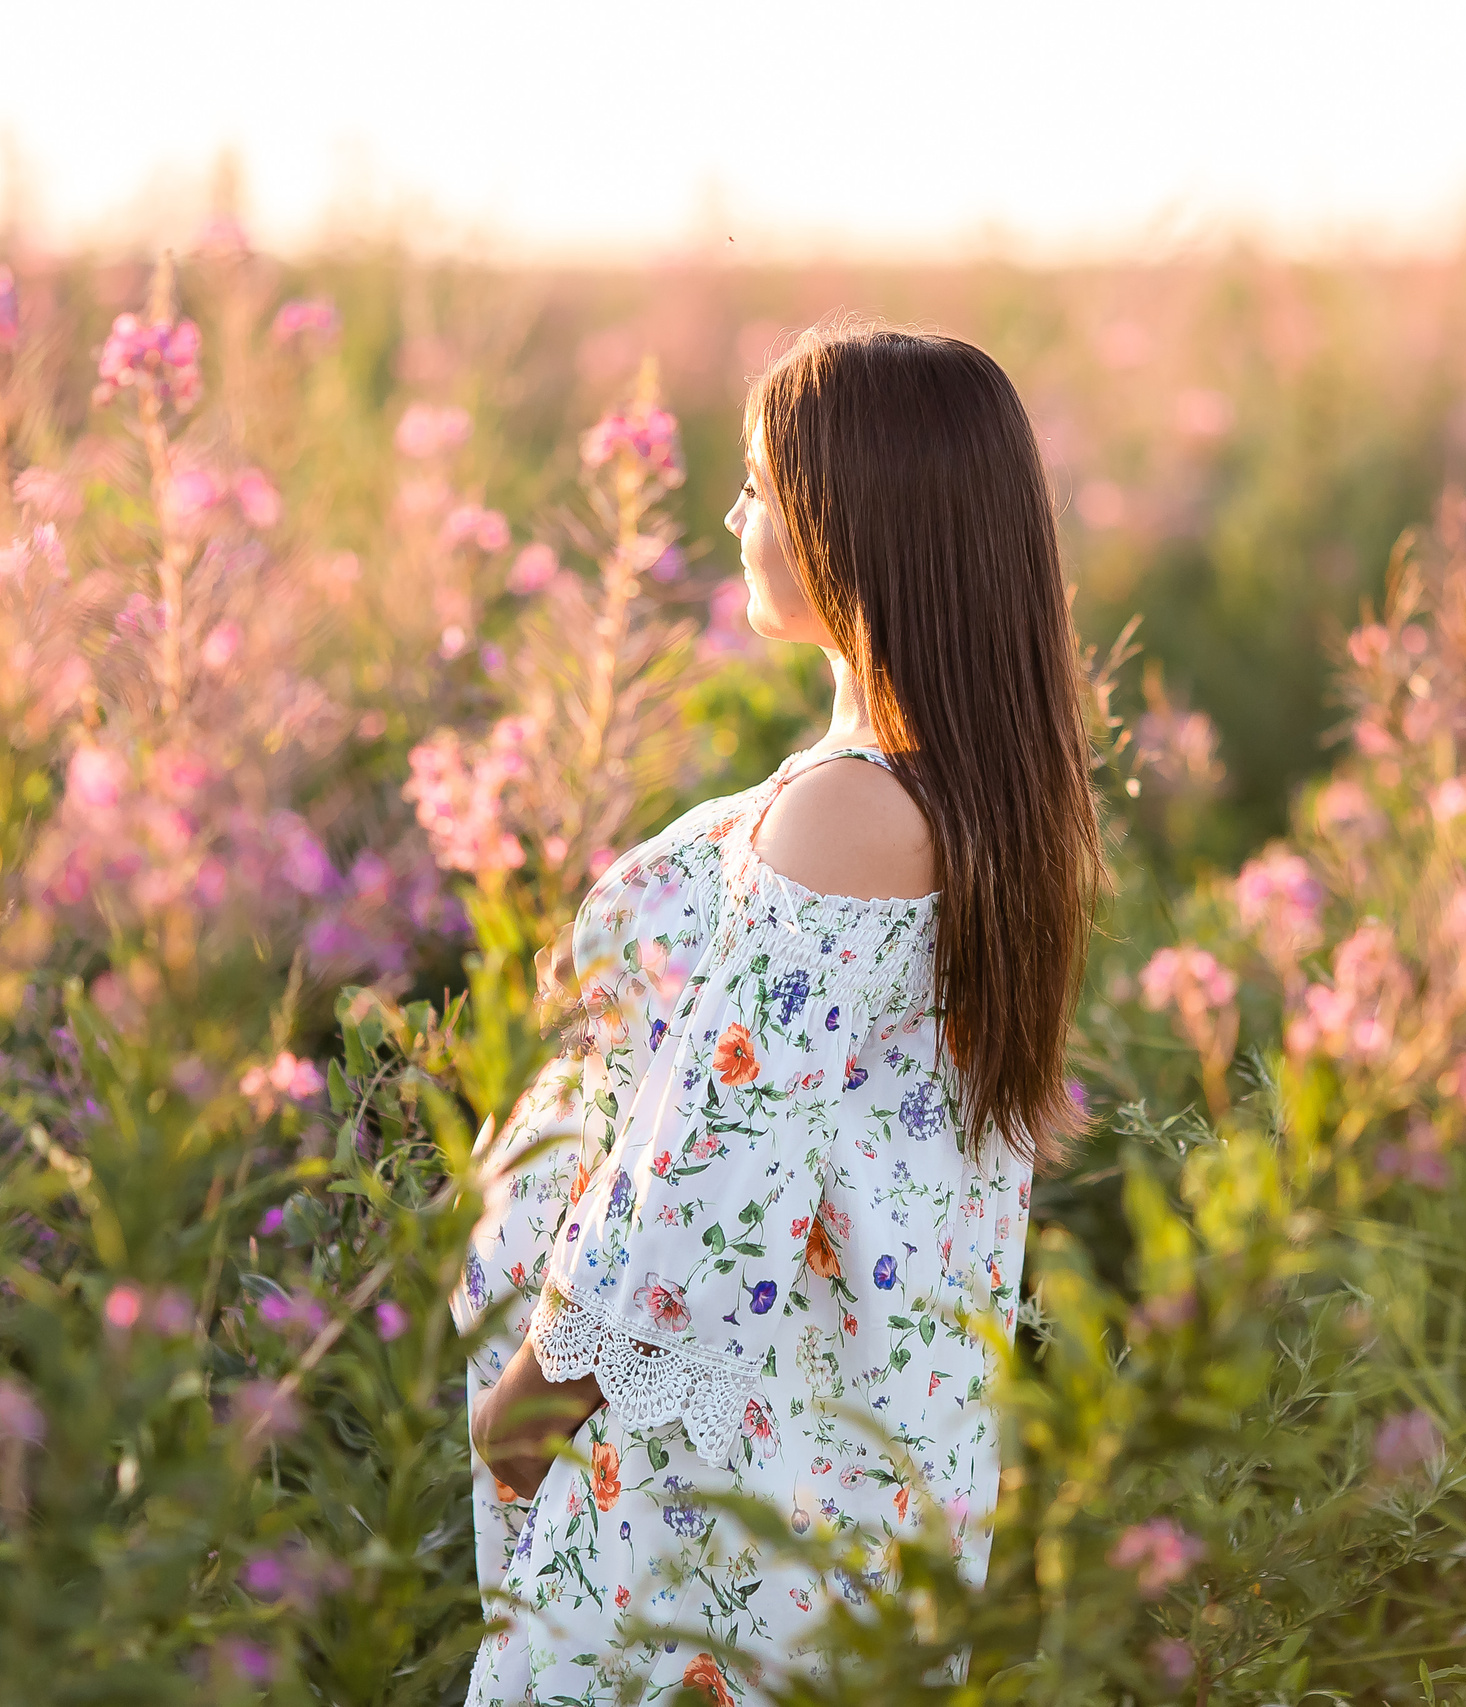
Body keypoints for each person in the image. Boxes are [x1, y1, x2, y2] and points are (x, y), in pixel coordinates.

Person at [448, 321, 1104, 1706]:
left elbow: (716, 1158)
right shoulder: (954, 789)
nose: (736, 517)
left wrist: (543, 1390)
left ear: (847, 524)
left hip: (720, 1457)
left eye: (759, 485)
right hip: (813, 1439)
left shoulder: (850, 814)